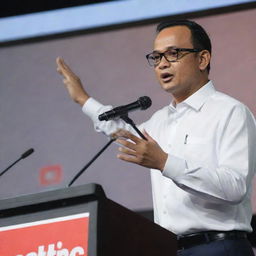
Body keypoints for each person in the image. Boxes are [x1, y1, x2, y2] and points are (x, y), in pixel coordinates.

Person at [56, 20, 256, 256]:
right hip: (167, 249)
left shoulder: (230, 112)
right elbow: (122, 131)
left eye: (173, 54)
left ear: (202, 59)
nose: (162, 64)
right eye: (157, 57)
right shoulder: (161, 120)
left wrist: (164, 162)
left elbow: (235, 187)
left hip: (219, 247)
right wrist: (83, 99)